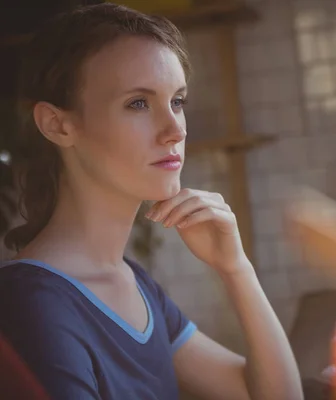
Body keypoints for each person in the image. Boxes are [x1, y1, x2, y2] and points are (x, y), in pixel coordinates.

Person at [0, 3, 303, 400]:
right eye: (138, 103)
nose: (174, 130)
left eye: (177, 101)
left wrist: (235, 268)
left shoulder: (135, 285)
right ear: (58, 125)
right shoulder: (30, 303)